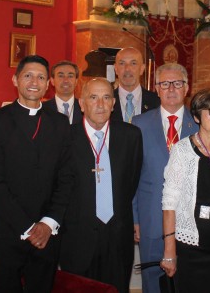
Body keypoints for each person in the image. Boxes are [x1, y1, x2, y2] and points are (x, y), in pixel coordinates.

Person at [0, 55, 73, 292]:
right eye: (28, 75)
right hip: (7, 230)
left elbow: (65, 178)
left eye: (41, 77)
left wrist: (48, 223)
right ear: (15, 80)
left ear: (47, 84)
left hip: (48, 233)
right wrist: (27, 227)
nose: (35, 81)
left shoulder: (60, 123)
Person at [59, 78, 143, 293]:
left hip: (117, 236)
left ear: (114, 103)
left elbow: (131, 181)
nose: (100, 104)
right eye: (93, 97)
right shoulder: (65, 138)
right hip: (77, 237)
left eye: (106, 98)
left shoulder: (131, 136)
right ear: (81, 103)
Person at [160, 89, 210, 292]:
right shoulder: (182, 150)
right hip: (192, 242)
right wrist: (169, 252)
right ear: (197, 116)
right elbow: (169, 203)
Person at [132, 63, 199, 293]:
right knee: (152, 282)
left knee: (186, 282)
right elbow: (132, 176)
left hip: (190, 221)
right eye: (165, 84)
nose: (171, 89)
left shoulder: (200, 125)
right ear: (156, 88)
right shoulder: (138, 124)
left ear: (186, 88)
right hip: (150, 218)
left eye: (177, 83)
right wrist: (135, 217)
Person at [111, 47, 160, 122]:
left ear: (142, 69)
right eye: (122, 63)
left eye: (133, 63)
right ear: (116, 69)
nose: (127, 69)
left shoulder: (157, 102)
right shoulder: (107, 101)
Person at [43, 60, 82, 125]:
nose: (66, 80)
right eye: (61, 76)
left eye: (70, 76)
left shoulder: (85, 108)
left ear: (76, 81)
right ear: (52, 81)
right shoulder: (43, 109)